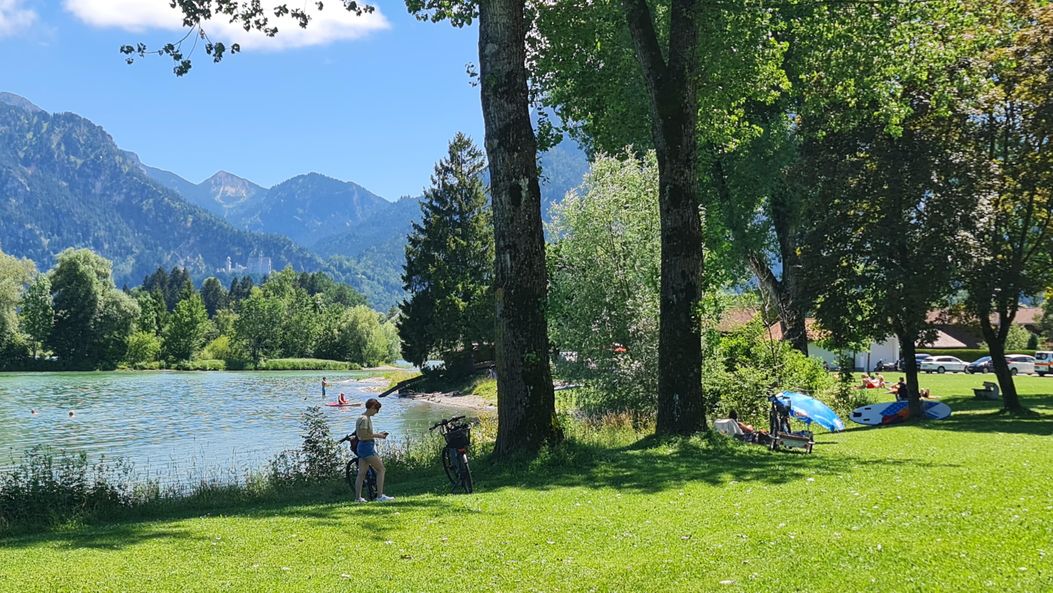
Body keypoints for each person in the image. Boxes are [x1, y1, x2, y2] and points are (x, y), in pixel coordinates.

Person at [355, 398, 394, 502]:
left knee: (361, 473)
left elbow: (363, 434)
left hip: (361, 447)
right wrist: (378, 435)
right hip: (367, 447)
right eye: (377, 409)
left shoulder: (361, 417)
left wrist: (377, 435)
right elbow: (363, 435)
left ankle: (358, 498)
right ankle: (380, 496)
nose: (377, 412)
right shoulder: (365, 419)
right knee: (381, 469)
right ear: (372, 407)